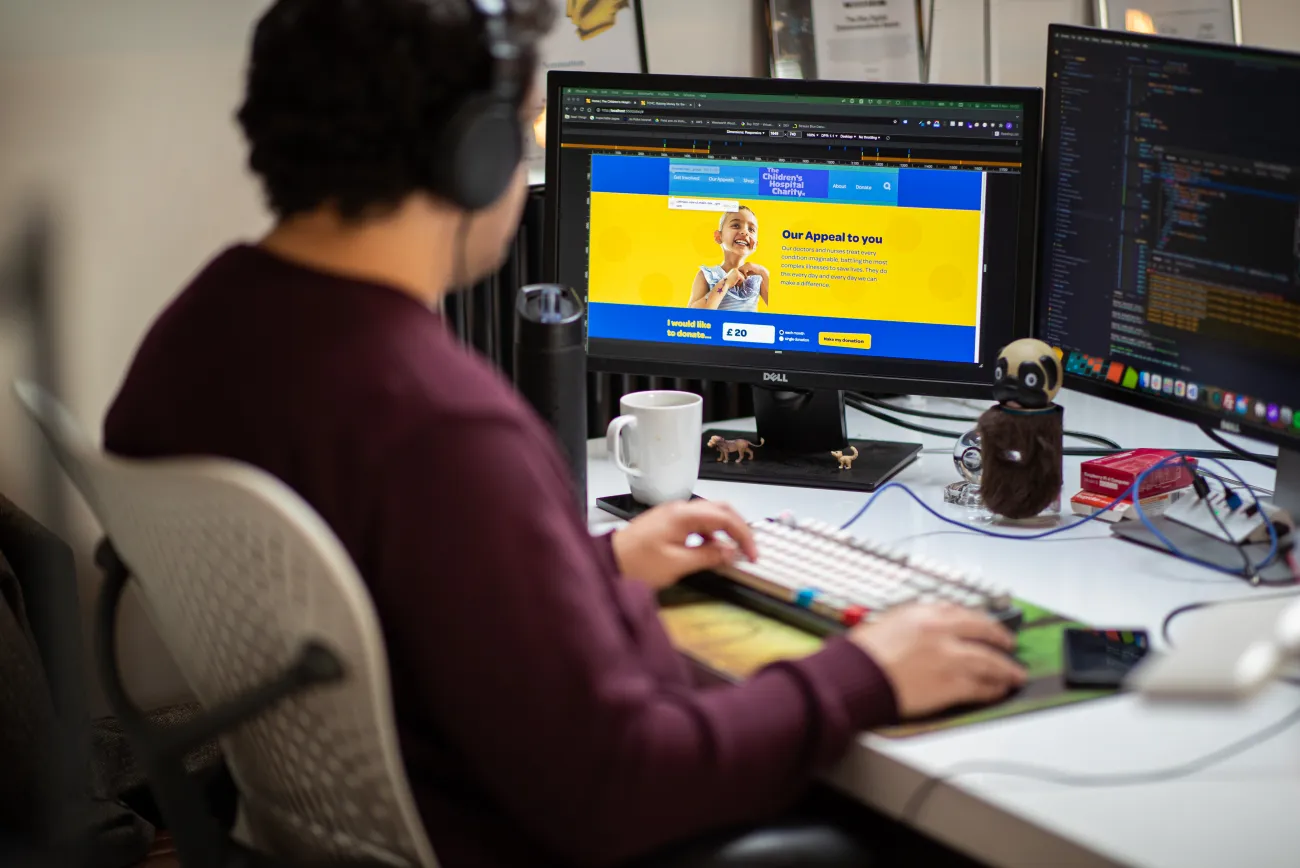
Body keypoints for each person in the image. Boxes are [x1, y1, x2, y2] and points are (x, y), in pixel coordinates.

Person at [102, 1, 1025, 866]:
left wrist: (587, 565)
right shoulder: (440, 423)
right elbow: (618, 785)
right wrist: (865, 673)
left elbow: (372, 590)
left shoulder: (194, 333)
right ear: (479, 152)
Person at [688, 206, 770, 312]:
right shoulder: (708, 275)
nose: (745, 232)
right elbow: (692, 315)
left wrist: (764, 273)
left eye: (751, 229)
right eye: (736, 225)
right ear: (718, 236)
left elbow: (783, 308)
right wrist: (726, 282)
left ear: (756, 245)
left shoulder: (758, 278)